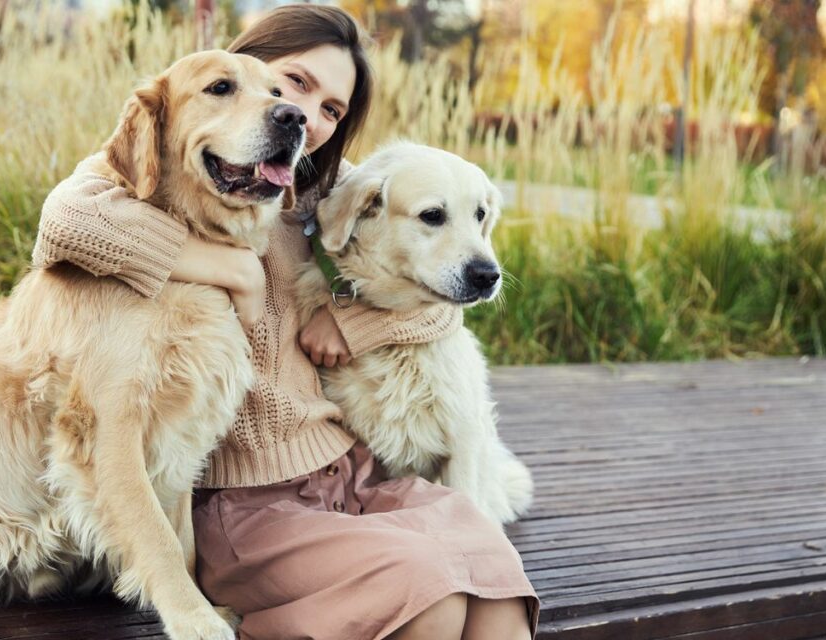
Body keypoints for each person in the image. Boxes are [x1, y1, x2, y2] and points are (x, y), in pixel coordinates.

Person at [33, 5, 538, 639]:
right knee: (428, 592)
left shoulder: (323, 190)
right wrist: (229, 267)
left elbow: (439, 304)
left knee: (489, 569)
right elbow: (63, 222)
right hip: (243, 503)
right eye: (297, 84)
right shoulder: (171, 177)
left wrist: (353, 328)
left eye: (332, 109)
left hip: (344, 472)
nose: (308, 115)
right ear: (245, 67)